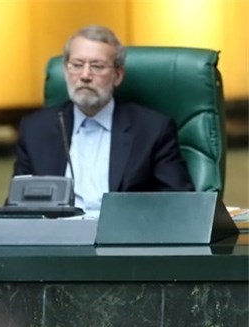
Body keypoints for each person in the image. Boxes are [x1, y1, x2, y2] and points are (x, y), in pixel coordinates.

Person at [13, 25, 194, 213]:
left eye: (97, 66)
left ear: (117, 75)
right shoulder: (35, 129)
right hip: (56, 230)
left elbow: (180, 204)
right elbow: (17, 207)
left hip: (123, 229)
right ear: (66, 71)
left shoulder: (153, 130)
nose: (85, 76)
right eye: (77, 65)